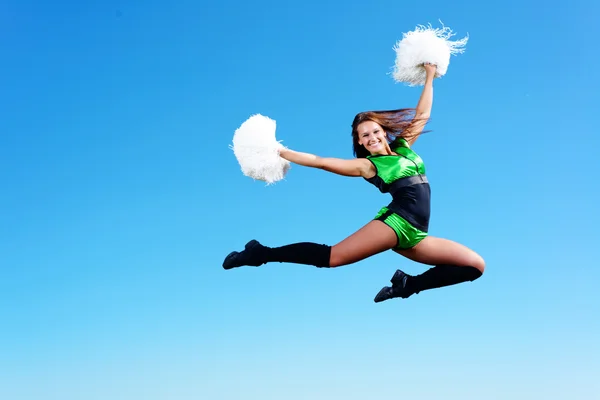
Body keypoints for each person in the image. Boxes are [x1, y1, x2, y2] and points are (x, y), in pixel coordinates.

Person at [222, 63, 485, 302]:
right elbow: (321, 161)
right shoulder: (368, 165)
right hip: (396, 223)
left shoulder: (404, 147)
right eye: (364, 136)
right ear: (359, 142)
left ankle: (407, 284)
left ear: (383, 132)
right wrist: (279, 151)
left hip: (417, 234)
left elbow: (423, 114)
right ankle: (260, 253)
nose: (371, 138)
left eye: (374, 132)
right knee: (333, 257)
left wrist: (429, 75)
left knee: (474, 266)